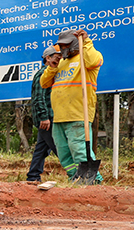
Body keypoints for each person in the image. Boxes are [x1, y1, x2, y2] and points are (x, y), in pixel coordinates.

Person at [39, 29, 103, 183]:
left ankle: (95, 181)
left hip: (78, 114)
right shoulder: (60, 63)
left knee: (80, 150)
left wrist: (86, 42)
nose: (63, 49)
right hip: (59, 116)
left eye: (66, 45)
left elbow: (93, 61)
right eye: (60, 46)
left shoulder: (87, 58)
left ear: (75, 44)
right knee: (64, 153)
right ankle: (76, 178)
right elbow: (44, 83)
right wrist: (52, 67)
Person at [26, 46, 59, 183]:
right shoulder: (43, 73)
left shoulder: (50, 73)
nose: (60, 60)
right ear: (48, 58)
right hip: (47, 118)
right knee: (58, 147)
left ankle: (33, 176)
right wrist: (44, 117)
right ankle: (75, 173)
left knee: (41, 148)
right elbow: (38, 97)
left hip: (48, 117)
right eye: (57, 58)